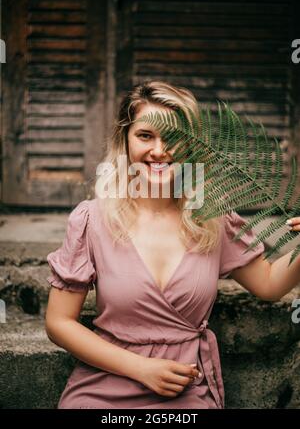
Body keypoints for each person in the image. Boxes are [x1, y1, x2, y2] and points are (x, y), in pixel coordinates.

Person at [45, 80, 300, 409]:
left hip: (186, 389)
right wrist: (141, 368)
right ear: (125, 140)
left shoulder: (213, 217)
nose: (159, 150)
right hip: (104, 386)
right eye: (145, 135)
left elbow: (268, 284)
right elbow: (58, 322)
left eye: (174, 137)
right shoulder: (92, 219)